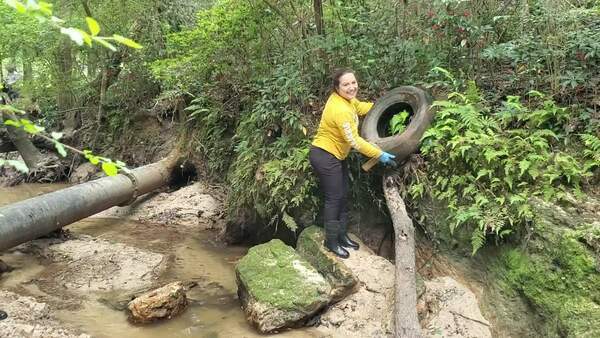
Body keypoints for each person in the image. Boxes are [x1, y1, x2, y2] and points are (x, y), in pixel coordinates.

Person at [309, 69, 395, 258]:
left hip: (337, 156)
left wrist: (386, 106)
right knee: (334, 198)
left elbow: (361, 107)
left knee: (343, 195)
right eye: (346, 84)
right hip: (324, 155)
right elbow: (354, 141)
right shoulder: (339, 109)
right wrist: (380, 154)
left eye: (353, 83)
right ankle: (331, 241)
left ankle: (341, 236)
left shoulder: (347, 100)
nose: (351, 87)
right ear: (337, 87)